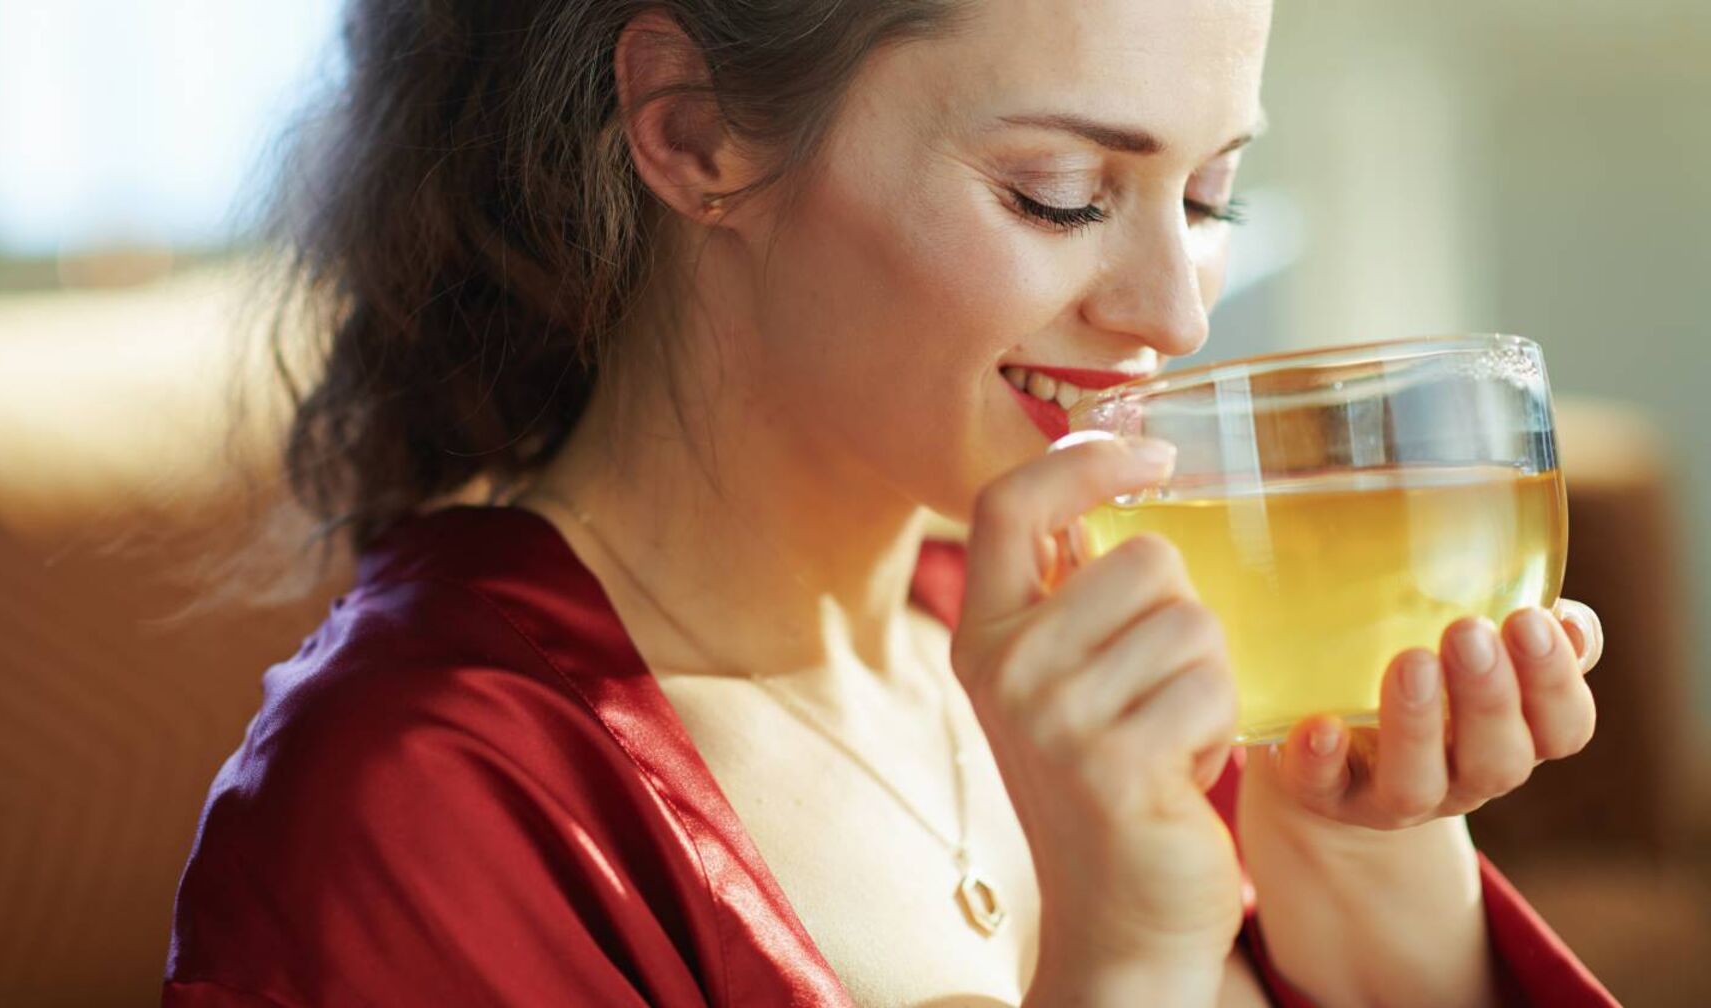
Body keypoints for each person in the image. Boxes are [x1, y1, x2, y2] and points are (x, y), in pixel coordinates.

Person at [165, 0, 1617, 1004]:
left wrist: (1364, 876)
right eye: (1059, 194)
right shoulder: (417, 809)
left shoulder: (1111, 647)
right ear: (696, 131)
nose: (1173, 314)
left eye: (1209, 197)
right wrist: (1115, 971)